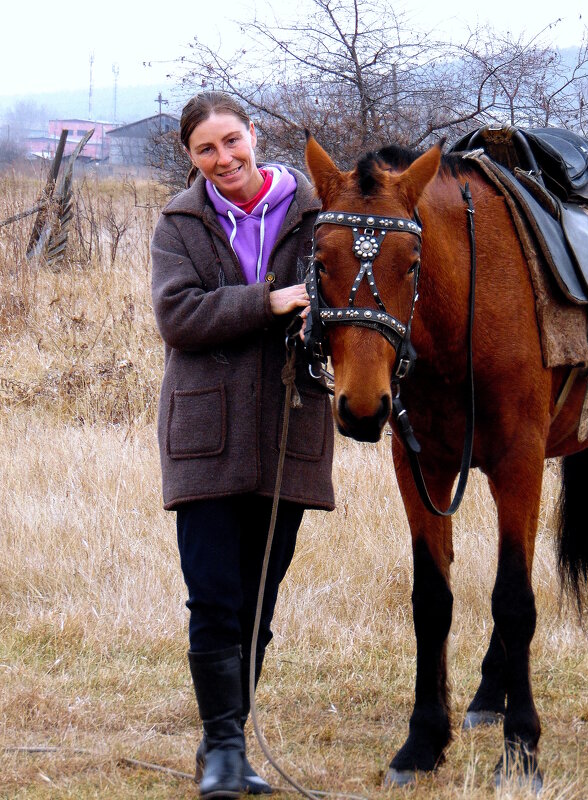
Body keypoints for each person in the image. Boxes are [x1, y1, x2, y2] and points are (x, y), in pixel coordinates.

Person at [151, 92, 335, 799]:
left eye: (232, 140)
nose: (224, 159)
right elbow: (178, 315)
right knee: (214, 597)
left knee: (259, 597)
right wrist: (272, 299)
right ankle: (226, 750)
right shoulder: (179, 223)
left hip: (290, 428)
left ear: (254, 135)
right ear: (190, 157)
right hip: (206, 434)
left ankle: (223, 740)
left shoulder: (319, 215)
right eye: (206, 149)